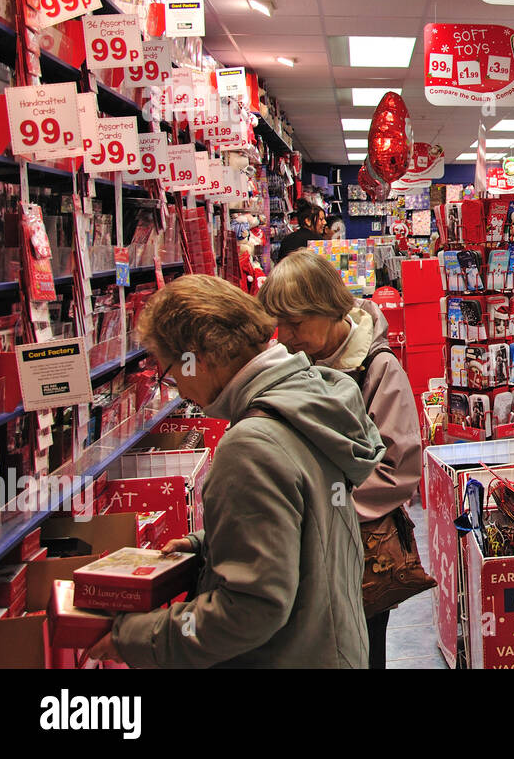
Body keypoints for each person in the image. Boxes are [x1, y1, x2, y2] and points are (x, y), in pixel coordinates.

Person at [88, 274, 384, 668]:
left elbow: (250, 609)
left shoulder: (251, 445)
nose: (176, 386)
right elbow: (307, 525)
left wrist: (138, 637)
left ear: (200, 356)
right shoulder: (311, 397)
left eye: (171, 369)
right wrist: (210, 543)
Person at [258, 249, 430, 670]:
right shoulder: (293, 364)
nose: (284, 336)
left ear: (331, 309)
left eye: (296, 323)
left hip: (363, 555)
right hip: (302, 554)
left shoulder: (378, 368)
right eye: (279, 325)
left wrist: (321, 506)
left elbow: (399, 469)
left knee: (362, 651)